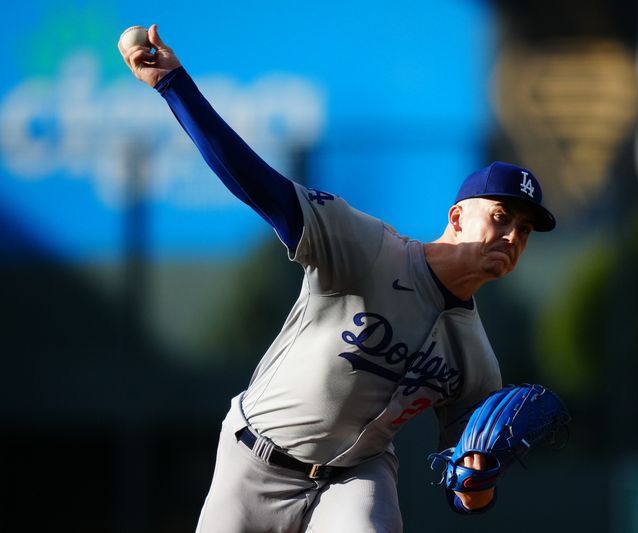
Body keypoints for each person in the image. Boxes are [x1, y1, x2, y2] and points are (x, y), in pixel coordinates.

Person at [118, 24, 557, 533]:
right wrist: (174, 85)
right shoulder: (365, 248)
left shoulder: (476, 362)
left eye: (524, 230)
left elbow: (467, 498)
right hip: (255, 459)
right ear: (457, 218)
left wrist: (477, 478)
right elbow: (259, 184)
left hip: (354, 478)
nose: (512, 236)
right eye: (501, 216)